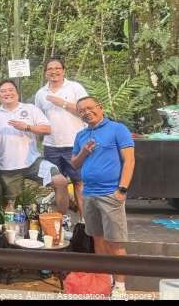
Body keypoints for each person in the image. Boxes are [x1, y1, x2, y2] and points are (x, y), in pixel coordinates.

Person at [71, 96, 135, 299]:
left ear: (100, 108)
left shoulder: (117, 129)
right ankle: (104, 279)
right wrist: (84, 152)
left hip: (110, 194)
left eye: (90, 108)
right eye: (82, 110)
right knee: (97, 239)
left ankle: (120, 285)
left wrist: (122, 189)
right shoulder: (81, 135)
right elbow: (74, 164)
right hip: (89, 194)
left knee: (115, 242)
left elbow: (129, 160)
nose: (86, 112)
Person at [0, 79, 69, 214]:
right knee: (10, 206)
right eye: (3, 91)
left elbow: (47, 129)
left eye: (11, 90)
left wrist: (27, 127)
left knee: (60, 181)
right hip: (7, 166)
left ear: (17, 93)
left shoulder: (30, 109)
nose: (7, 93)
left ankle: (60, 220)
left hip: (32, 161)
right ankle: (12, 227)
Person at [35, 58, 89, 215]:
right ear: (45, 73)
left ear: (64, 70)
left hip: (74, 144)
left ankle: (84, 221)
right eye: (50, 69)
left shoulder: (75, 87)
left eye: (57, 68)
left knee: (79, 182)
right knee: (58, 184)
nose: (54, 71)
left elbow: (86, 111)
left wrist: (62, 103)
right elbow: (38, 119)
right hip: (51, 145)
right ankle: (61, 221)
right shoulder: (41, 93)